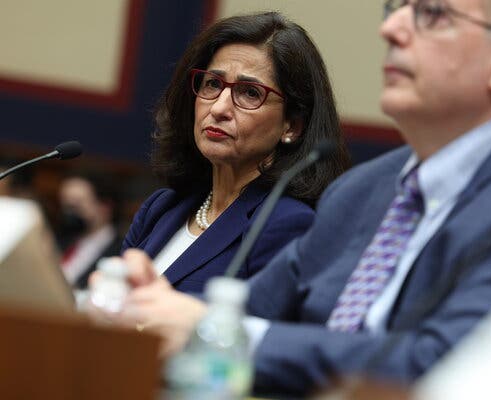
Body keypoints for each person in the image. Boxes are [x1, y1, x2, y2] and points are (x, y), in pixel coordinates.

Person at [103, 0, 491, 397]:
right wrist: (159, 306)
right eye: (398, 7)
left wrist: (206, 329)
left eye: (432, 14)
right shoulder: (364, 190)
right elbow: (250, 306)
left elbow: (439, 370)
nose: (392, 28)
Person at [121, 12, 350, 293]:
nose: (219, 108)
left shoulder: (286, 225)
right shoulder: (161, 209)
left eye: (250, 93)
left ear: (292, 126)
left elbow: (254, 331)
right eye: (213, 84)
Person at [57, 170, 123, 289]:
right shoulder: (60, 240)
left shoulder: (121, 250)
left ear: (104, 207)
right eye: (66, 205)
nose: (70, 213)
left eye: (77, 204)